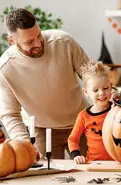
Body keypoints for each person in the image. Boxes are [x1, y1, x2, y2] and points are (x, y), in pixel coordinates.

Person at [0, 8, 90, 159]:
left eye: (39, 35)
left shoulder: (64, 42)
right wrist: (25, 145)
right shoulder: (6, 67)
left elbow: (91, 75)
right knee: (46, 178)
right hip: (41, 131)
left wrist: (109, 93)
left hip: (82, 123)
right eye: (29, 42)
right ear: (11, 41)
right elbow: (10, 114)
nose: (38, 43)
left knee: (94, 173)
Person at [68, 62, 114, 164]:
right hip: (94, 164)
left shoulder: (117, 110)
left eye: (105, 88)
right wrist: (76, 155)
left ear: (110, 87)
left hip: (118, 163)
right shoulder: (84, 116)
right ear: (86, 92)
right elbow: (72, 139)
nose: (101, 93)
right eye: (95, 90)